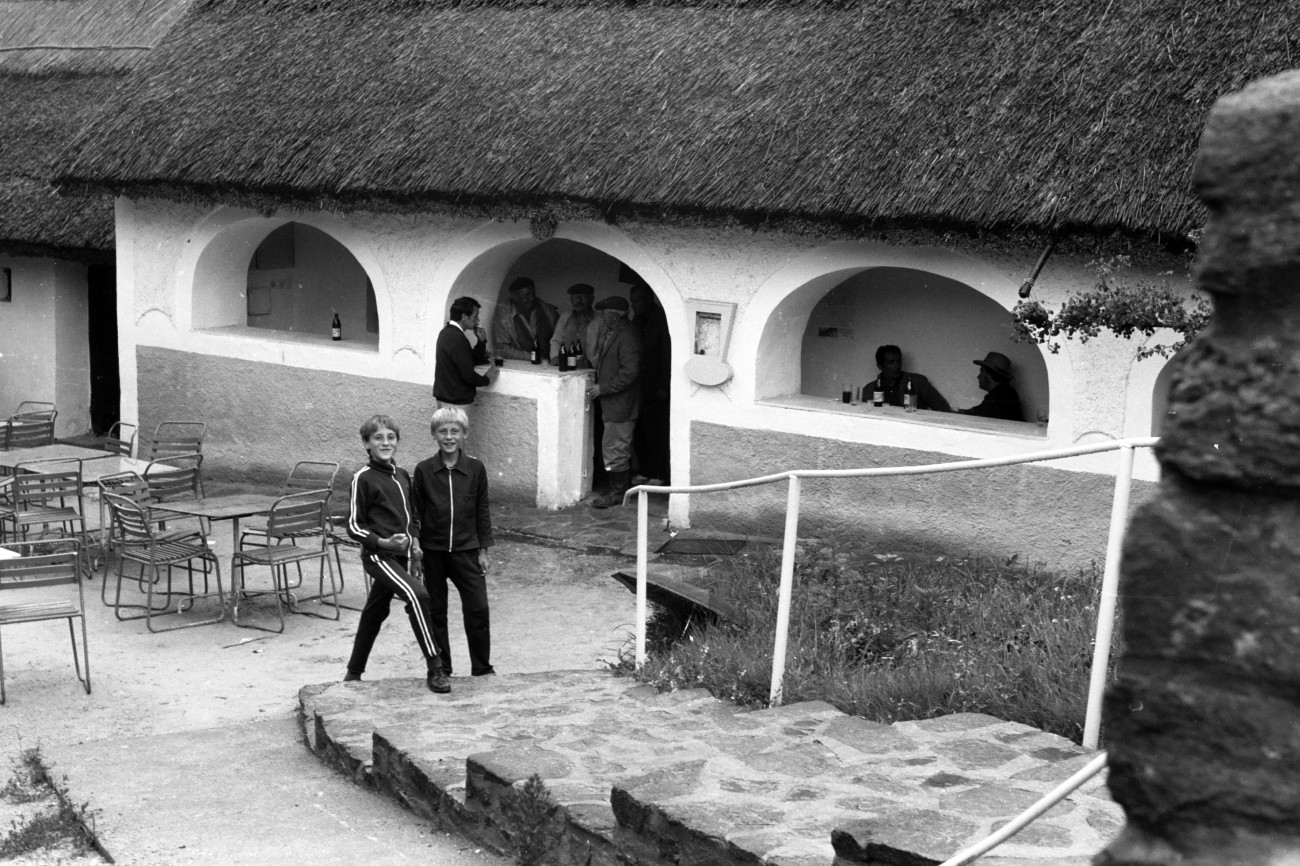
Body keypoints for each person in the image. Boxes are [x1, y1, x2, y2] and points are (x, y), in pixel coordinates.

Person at [343, 415, 450, 694]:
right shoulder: (362, 479)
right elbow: (354, 525)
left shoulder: (401, 474)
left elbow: (412, 515)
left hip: (402, 556)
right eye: (378, 438)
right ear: (366, 443)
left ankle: (353, 673)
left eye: (390, 437)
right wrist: (383, 542)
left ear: (398, 442)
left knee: (374, 612)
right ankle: (435, 666)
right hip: (379, 557)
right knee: (418, 596)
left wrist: (415, 544)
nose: (385, 443)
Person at [412, 406, 495, 678]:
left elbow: (482, 511)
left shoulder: (475, 469)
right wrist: (417, 550)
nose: (449, 437)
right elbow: (416, 513)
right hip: (433, 553)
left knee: (478, 609)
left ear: (464, 434)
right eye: (443, 431)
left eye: (455, 431)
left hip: (467, 550)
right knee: (436, 612)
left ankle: (481, 668)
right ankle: (442, 668)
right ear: (434, 434)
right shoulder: (424, 470)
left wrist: (483, 549)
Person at [586, 295, 641, 508]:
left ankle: (618, 494)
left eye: (604, 314)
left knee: (616, 449)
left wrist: (604, 388)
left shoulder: (627, 334)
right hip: (616, 403)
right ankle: (618, 491)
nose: (602, 318)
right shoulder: (616, 331)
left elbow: (630, 371)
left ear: (613, 315)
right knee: (614, 447)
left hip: (621, 403)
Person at [629, 282, 671, 485]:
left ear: (649, 300)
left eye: (638, 301)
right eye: (632, 301)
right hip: (640, 386)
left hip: (656, 387)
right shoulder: (637, 319)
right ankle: (645, 470)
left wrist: (663, 386)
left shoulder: (661, 319)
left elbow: (666, 354)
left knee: (657, 432)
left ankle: (658, 474)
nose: (635, 305)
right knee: (641, 431)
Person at [433, 297, 499, 406]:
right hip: (453, 402)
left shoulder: (447, 332)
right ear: (464, 316)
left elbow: (470, 360)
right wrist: (487, 379)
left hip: (448, 399)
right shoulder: (456, 338)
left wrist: (481, 342)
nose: (477, 320)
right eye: (475, 316)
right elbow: (468, 375)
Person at [863, 344, 951, 412]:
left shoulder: (917, 381)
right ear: (880, 366)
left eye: (899, 361)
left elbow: (943, 408)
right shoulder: (869, 389)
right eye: (891, 362)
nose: (897, 366)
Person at [492, 276, 559, 362]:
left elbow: (560, 339)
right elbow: (503, 348)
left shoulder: (548, 311)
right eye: (527, 295)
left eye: (533, 294)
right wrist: (532, 357)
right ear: (514, 296)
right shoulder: (502, 316)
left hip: (550, 364)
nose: (532, 298)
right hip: (524, 365)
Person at [959, 351, 1025, 421]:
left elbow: (978, 415)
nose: (978, 376)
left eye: (981, 372)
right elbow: (978, 412)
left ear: (989, 376)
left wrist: (953, 411)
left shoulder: (1002, 393)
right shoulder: (1003, 391)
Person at [549, 283, 596, 366]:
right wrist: (555, 357)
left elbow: (603, 349)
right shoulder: (565, 316)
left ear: (592, 299)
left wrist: (590, 362)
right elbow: (556, 340)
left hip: (588, 369)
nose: (579, 300)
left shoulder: (600, 320)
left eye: (583, 297)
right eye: (575, 297)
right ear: (571, 299)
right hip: (566, 367)